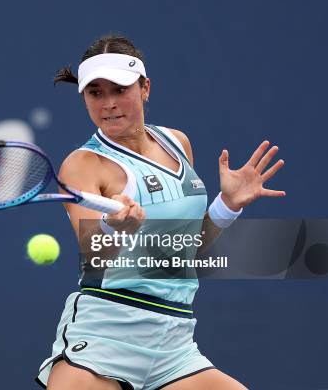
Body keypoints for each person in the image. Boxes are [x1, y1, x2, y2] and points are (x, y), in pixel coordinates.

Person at [35, 34, 285, 390]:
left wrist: (227, 206)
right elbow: (95, 257)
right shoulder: (83, 164)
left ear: (145, 87)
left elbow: (189, 251)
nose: (108, 104)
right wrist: (116, 228)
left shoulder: (177, 142)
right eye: (96, 93)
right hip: (104, 341)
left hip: (175, 343)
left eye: (120, 90)